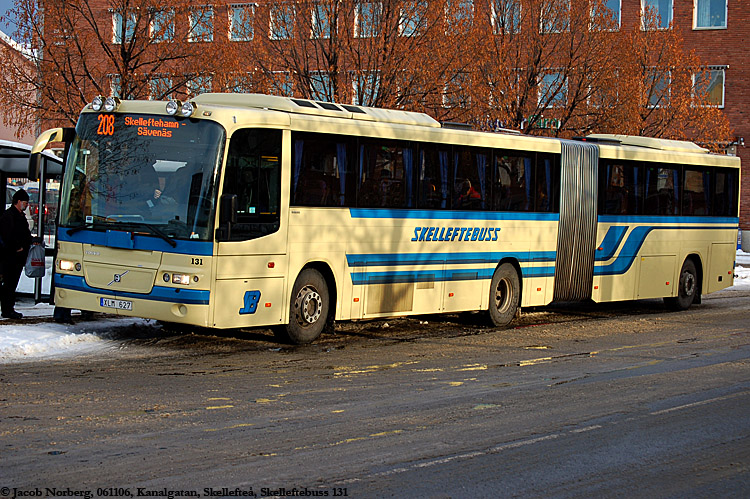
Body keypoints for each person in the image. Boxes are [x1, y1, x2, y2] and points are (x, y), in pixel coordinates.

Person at [0, 188, 32, 319]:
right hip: (10, 257)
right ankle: (7, 309)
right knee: (9, 284)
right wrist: (16, 247)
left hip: (17, 257)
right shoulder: (9, 216)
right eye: (25, 202)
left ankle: (8, 308)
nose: (27, 205)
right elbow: (5, 236)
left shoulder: (19, 216)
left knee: (11, 284)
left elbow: (25, 234)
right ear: (18, 201)